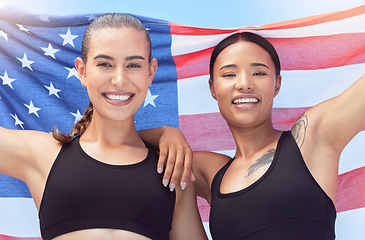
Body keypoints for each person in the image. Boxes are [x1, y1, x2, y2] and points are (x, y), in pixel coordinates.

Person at [0, 13, 206, 240]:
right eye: (105, 64)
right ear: (82, 71)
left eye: (133, 65)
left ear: (150, 72)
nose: (119, 79)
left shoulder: (173, 169)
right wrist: (161, 133)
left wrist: (165, 133)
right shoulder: (43, 154)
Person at [142, 32, 365, 239]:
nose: (244, 84)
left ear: (277, 83)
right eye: (229, 74)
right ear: (213, 88)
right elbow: (116, 142)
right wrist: (164, 132)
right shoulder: (210, 172)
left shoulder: (311, 138)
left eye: (259, 73)